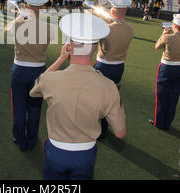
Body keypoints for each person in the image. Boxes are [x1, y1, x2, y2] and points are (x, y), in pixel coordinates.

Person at [30, 13, 126, 180]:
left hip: (56, 151)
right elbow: (120, 132)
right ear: (96, 47)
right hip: (85, 154)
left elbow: (35, 88)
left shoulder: (51, 79)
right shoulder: (108, 86)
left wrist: (61, 58)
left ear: (69, 45)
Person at [6, 0, 52, 152]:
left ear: (26, 6)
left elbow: (7, 29)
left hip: (19, 70)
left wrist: (22, 15)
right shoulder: (48, 28)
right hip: (39, 71)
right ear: (43, 8)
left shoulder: (18, 24)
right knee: (34, 108)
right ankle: (31, 140)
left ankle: (20, 138)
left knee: (19, 107)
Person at [93, 0, 134, 138]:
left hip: (104, 65)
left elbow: (95, 38)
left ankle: (100, 129)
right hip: (119, 66)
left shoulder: (107, 28)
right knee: (111, 98)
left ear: (113, 11)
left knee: (99, 99)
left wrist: (101, 19)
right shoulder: (130, 28)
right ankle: (109, 125)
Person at [150, 14, 180, 130]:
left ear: (175, 25)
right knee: (174, 96)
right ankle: (167, 122)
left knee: (162, 96)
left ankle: (159, 122)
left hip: (166, 68)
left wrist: (163, 34)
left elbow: (157, 47)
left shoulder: (168, 37)